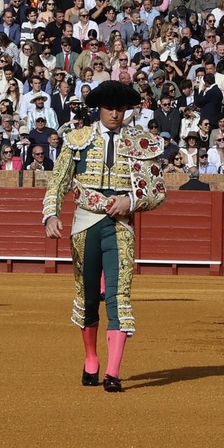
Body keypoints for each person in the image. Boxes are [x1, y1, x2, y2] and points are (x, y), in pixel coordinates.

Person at [43, 80, 167, 393]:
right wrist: (51, 214)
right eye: (110, 108)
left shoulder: (141, 142)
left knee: (118, 297)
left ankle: (113, 371)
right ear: (99, 109)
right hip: (85, 225)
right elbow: (58, 181)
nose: (115, 114)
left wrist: (131, 201)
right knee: (87, 298)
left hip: (121, 226)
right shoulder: (77, 139)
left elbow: (157, 191)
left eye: (121, 109)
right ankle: (91, 358)